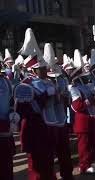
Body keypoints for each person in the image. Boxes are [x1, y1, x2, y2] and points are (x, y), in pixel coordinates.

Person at [17, 28, 56, 180]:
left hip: (46, 125)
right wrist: (46, 96)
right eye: (42, 69)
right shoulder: (24, 85)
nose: (45, 71)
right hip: (33, 129)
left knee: (48, 160)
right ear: (34, 70)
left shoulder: (45, 82)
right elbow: (25, 110)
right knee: (36, 166)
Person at [44, 43, 74, 179]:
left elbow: (67, 97)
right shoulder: (41, 83)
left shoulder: (61, 79)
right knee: (49, 154)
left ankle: (67, 175)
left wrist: (64, 96)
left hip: (61, 118)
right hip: (49, 122)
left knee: (65, 152)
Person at [69, 49, 95, 174]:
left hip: (89, 117)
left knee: (89, 143)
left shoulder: (85, 86)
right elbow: (77, 105)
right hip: (81, 121)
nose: (86, 78)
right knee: (83, 145)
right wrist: (90, 101)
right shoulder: (74, 88)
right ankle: (84, 165)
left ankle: (88, 163)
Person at [0, 61, 15, 180]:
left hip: (5, 124)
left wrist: (11, 112)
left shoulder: (6, 81)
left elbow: (11, 100)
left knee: (7, 160)